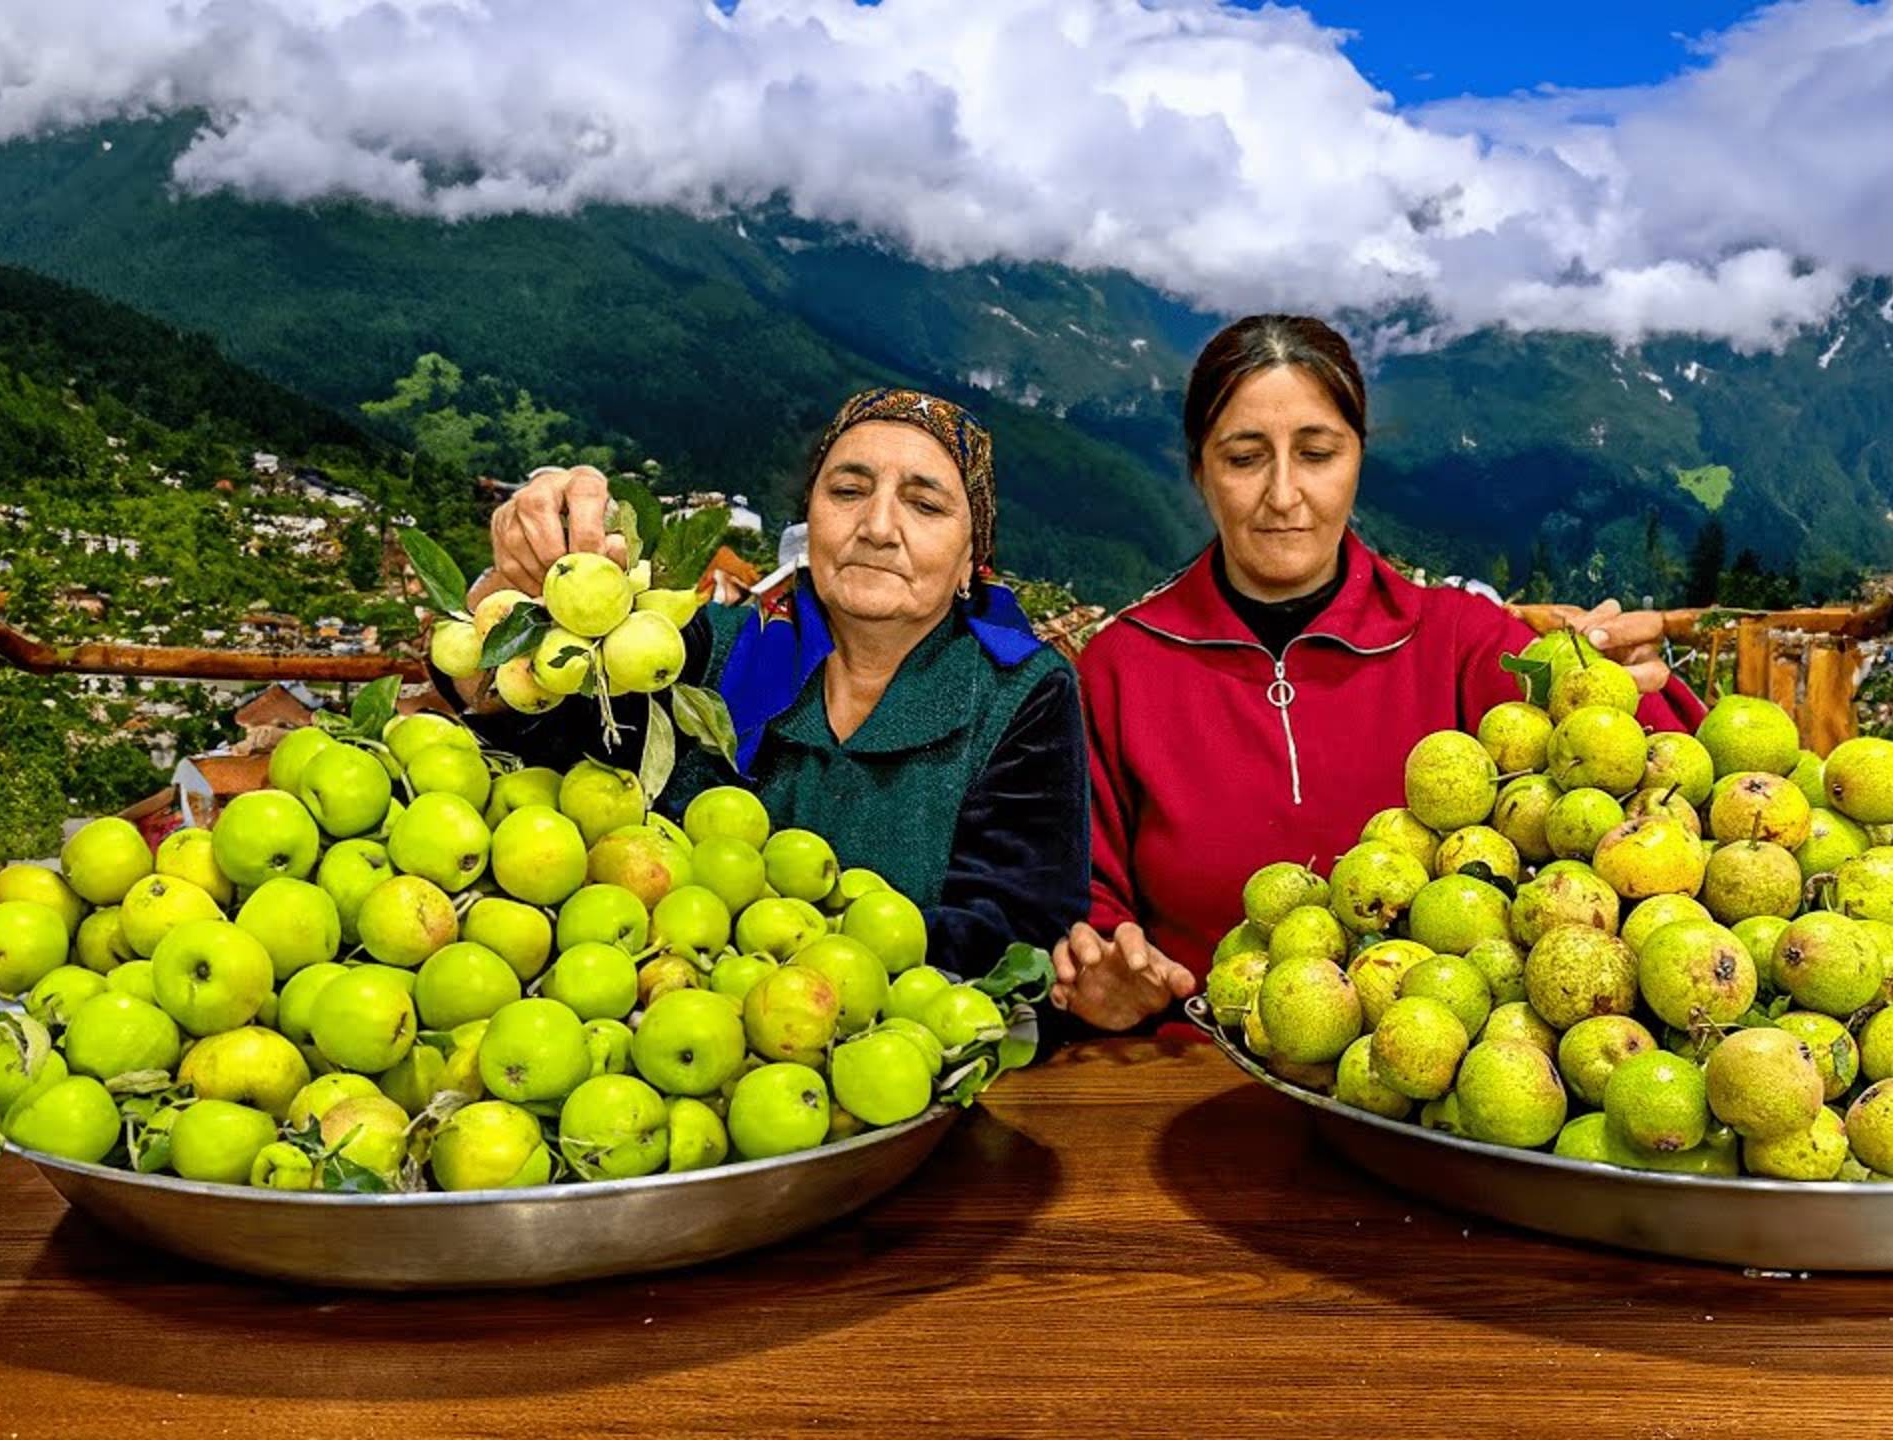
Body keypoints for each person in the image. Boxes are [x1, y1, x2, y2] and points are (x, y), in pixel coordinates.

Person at [1054, 314, 1708, 1032]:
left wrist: (1634, 685)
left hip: (1428, 1085)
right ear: (1199, 471)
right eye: (1244, 458)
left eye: (1317, 453)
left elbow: (1642, 805)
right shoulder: (1122, 669)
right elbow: (1090, 899)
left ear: (1358, 458)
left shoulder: (1458, 640)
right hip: (1187, 1074)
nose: (1282, 494)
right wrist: (1108, 978)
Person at [443, 388, 1090, 975]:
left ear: (971, 561)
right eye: (847, 491)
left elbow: (1017, 935)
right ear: (810, 520)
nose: (878, 528)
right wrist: (517, 585)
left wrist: (770, 958)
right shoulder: (706, 649)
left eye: (924, 505)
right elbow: (523, 718)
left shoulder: (1018, 693)